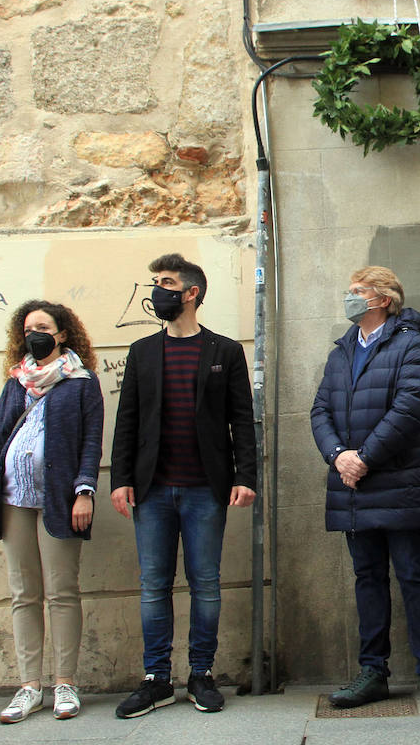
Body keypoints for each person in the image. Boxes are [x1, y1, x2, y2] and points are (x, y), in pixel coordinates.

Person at [110, 254, 259, 718]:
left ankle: (201, 674)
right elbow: (127, 421)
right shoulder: (141, 352)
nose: (158, 291)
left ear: (191, 293)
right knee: (154, 585)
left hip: (204, 489)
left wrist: (245, 477)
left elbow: (241, 420)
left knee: (206, 584)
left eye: (167, 282)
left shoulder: (225, 351)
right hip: (151, 490)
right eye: (156, 282)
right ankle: (156, 679)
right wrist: (120, 480)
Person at [311, 266, 420, 712]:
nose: (349, 298)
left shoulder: (410, 344)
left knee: (413, 577)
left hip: (398, 485)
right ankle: (372, 672)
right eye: (349, 290)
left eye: (358, 292)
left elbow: (411, 408)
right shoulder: (341, 351)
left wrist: (364, 458)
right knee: (367, 580)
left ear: (384, 300)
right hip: (353, 487)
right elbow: (319, 409)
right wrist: (338, 455)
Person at [0, 300, 103, 723]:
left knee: (62, 592)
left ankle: (65, 682)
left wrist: (84, 492)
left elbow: (90, 443)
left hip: (59, 500)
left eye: (43, 327)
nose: (35, 334)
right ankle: (29, 686)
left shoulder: (81, 382)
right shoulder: (16, 382)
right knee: (23, 594)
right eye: (28, 328)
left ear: (62, 333)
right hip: (13, 501)